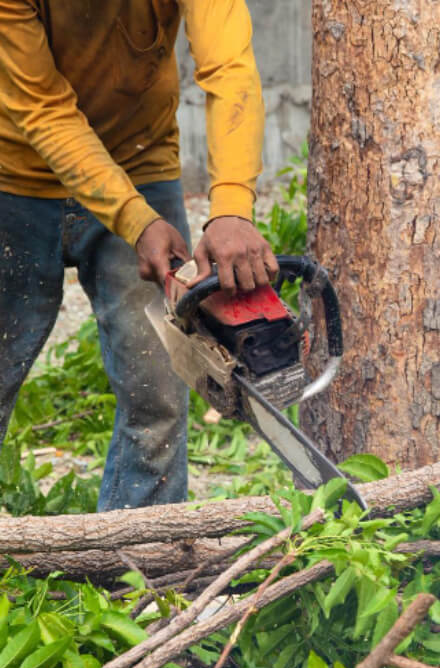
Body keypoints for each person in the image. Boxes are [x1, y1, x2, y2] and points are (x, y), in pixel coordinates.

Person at [0, 0, 278, 510]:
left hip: (140, 159)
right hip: (12, 174)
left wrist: (233, 207)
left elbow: (229, 68)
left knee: (157, 398)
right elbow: (44, 109)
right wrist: (136, 219)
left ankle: (137, 563)